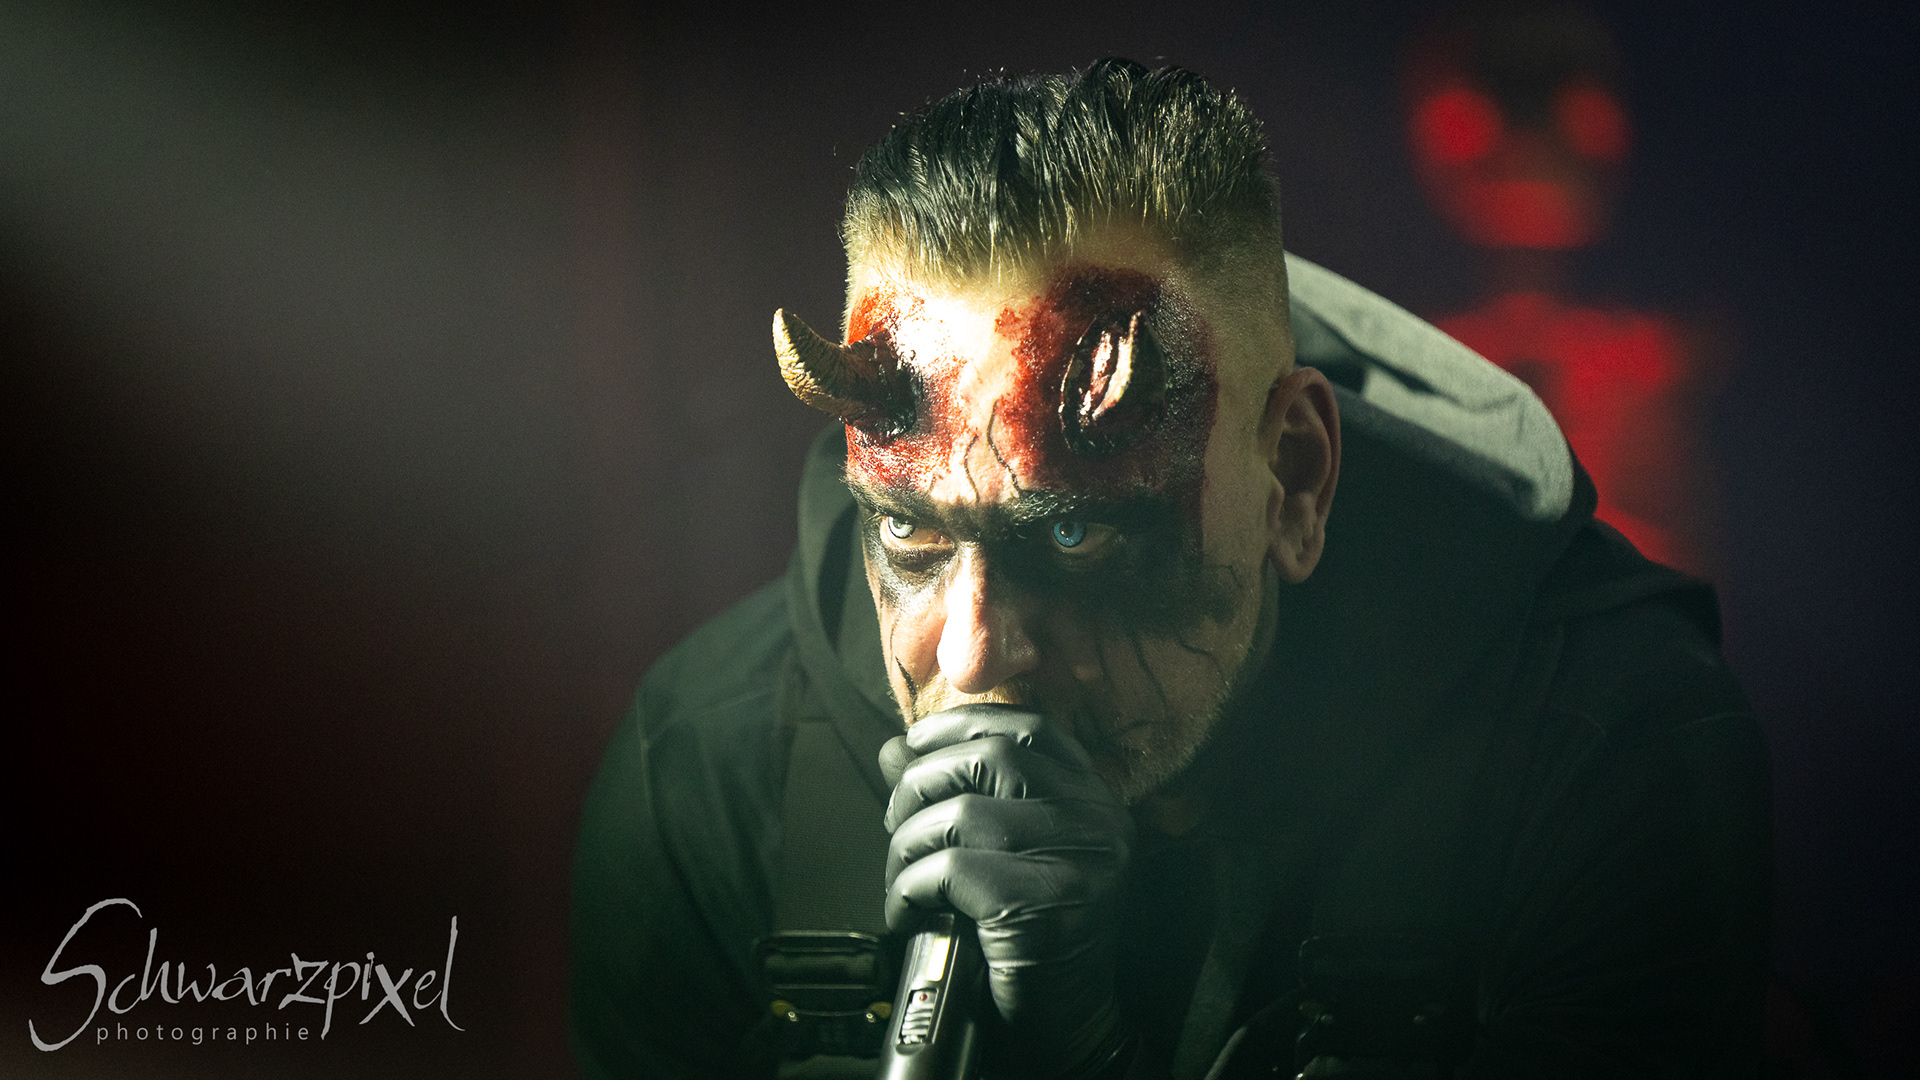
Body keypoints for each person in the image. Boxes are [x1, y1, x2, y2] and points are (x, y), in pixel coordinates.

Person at [571, 59, 1768, 1079]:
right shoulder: (711, 772)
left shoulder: (1602, 752)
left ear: (1294, 478)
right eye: (911, 536)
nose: (973, 656)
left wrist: (1082, 1054)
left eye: (1077, 537)